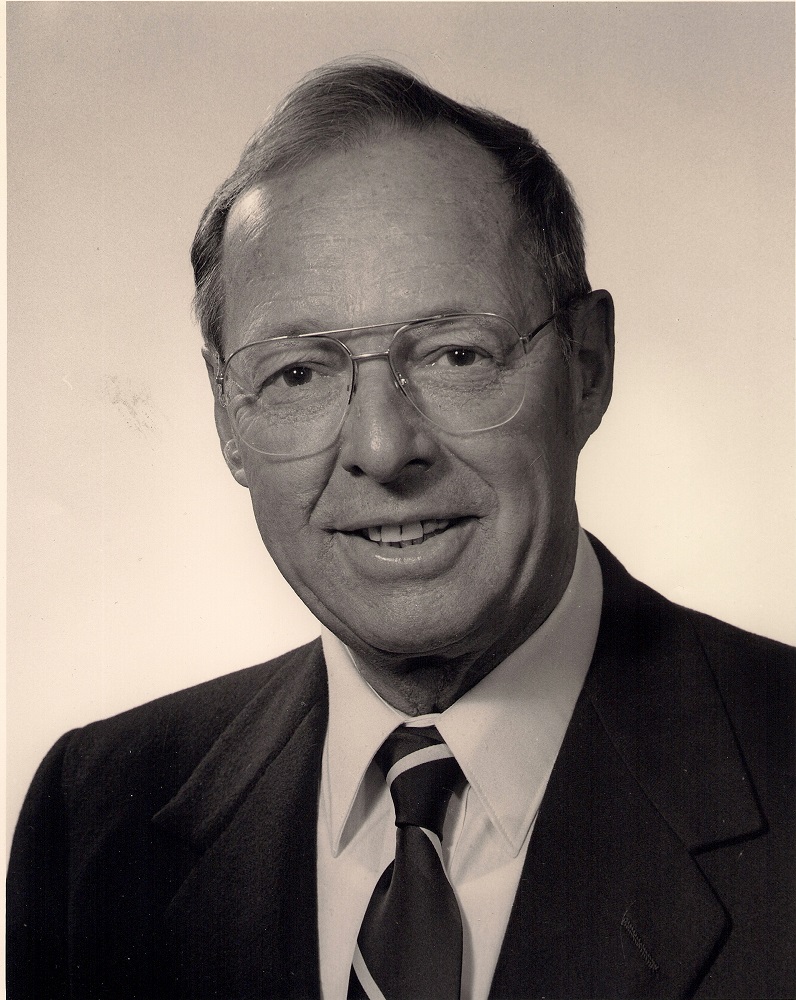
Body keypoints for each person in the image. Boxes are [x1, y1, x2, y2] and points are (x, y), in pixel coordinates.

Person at [7, 60, 794, 1000]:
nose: (383, 448)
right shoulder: (94, 817)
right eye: (298, 372)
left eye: (459, 353)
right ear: (227, 419)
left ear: (587, 367)